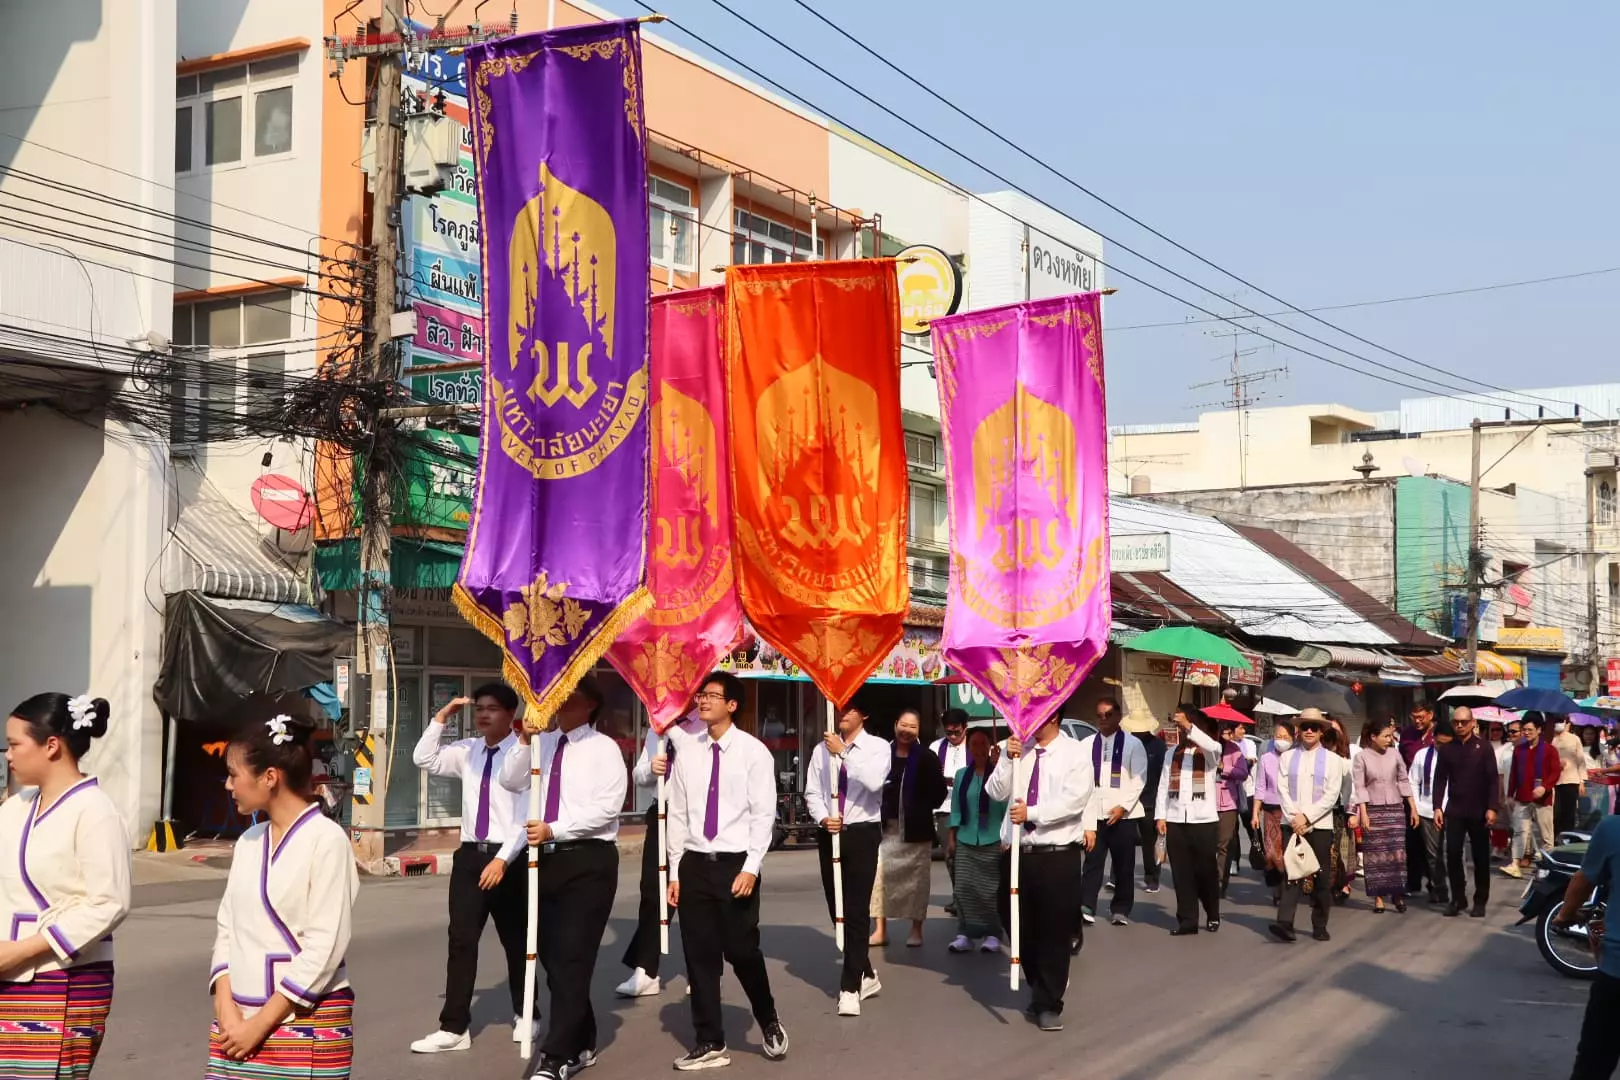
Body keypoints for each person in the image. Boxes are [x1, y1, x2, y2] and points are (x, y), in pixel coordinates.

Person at [208, 714, 359, 1079]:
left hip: (303, 1024)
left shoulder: (327, 840)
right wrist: (225, 1008)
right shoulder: (249, 841)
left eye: (234, 774)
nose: (228, 785)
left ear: (270, 777)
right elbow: (227, 927)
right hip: (236, 1024)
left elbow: (324, 946)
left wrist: (259, 1025)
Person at [496, 678, 624, 1080]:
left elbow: (608, 808)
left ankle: (557, 1055)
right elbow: (510, 780)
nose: (561, 704)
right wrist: (523, 739)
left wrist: (556, 829)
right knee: (551, 958)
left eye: (570, 698)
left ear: (590, 705)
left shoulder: (604, 748)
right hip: (545, 862)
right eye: (557, 698)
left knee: (572, 956)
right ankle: (583, 1039)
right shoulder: (544, 742)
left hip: (588, 860)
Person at [0, 693, 128, 1079]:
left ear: (51, 745)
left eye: (15, 744)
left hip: (65, 978)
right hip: (8, 973)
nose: (8, 754)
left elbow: (109, 904)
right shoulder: (15, 806)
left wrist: (22, 951)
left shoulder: (95, 810)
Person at [665, 673, 788, 1070]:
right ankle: (710, 1041)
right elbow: (678, 815)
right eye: (701, 695)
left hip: (736, 864)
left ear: (732, 705)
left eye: (712, 696)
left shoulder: (754, 753)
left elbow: (762, 815)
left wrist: (752, 867)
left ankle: (767, 1018)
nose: (702, 701)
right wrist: (674, 872)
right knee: (698, 956)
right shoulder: (688, 752)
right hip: (695, 865)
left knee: (741, 950)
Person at [409, 684, 531, 1054]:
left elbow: (526, 813)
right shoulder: (468, 750)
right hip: (470, 858)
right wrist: (441, 718)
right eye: (480, 708)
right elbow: (424, 759)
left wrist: (502, 859)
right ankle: (454, 1027)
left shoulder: (525, 751)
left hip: (510, 858)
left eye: (493, 708)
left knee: (517, 942)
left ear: (511, 714)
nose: (483, 714)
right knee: (462, 941)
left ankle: (527, 1013)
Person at [987, 716, 1095, 1033]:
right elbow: (995, 792)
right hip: (1018, 852)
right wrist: (1007, 757)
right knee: (1016, 922)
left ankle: (1048, 1001)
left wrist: (1032, 814)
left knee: (1053, 930)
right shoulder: (1020, 750)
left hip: (1056, 855)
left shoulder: (1075, 753)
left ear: (1054, 715)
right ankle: (1041, 983)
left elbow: (1075, 801)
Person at [804, 701, 888, 1017]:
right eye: (839, 706)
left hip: (862, 832)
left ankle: (849, 986)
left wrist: (844, 754)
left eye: (851, 707)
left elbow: (874, 782)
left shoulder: (877, 747)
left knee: (856, 909)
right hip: (831, 832)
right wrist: (824, 818)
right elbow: (812, 792)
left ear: (864, 713)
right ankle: (865, 972)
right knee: (836, 908)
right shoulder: (820, 750)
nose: (843, 713)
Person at [618, 706, 707, 999]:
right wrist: (650, 768)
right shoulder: (657, 728)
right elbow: (639, 773)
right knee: (652, 891)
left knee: (695, 892)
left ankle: (703, 971)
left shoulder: (704, 724)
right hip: (662, 814)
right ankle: (646, 971)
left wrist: (672, 730)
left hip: (696, 814)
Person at [1269, 710, 1349, 943]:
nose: (1310, 731)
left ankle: (1320, 924)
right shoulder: (1287, 757)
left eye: (1314, 727)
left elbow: (1332, 794)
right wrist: (1295, 817)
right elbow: (1282, 789)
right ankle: (1285, 923)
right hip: (1291, 823)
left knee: (1322, 877)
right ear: (1299, 730)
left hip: (1320, 825)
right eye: (1305, 727)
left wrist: (1307, 818)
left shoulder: (1334, 761)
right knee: (1291, 873)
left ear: (1322, 731)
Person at [869, 709, 946, 949]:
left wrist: (919, 805)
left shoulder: (927, 757)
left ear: (918, 730)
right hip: (886, 829)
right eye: (903, 725)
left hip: (916, 830)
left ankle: (916, 930)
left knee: (917, 883)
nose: (907, 731)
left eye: (912, 727)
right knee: (879, 879)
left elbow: (939, 793)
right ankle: (881, 930)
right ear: (895, 725)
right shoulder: (882, 755)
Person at [1553, 813, 1620, 1079]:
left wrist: (1566, 913)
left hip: (1616, 974)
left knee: (1593, 1063)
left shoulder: (1612, 828)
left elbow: (1582, 881)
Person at [1155, 706, 1224, 935]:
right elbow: (1164, 784)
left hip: (1203, 820)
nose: (1181, 730)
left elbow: (1214, 747)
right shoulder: (1171, 753)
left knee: (1206, 871)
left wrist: (1189, 726)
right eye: (1179, 725)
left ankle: (1212, 912)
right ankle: (1187, 920)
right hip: (1176, 819)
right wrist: (1160, 815)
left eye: (1184, 725)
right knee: (1181, 873)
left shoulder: (1210, 752)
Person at [1078, 699, 1147, 927]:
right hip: (1095, 813)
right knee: (1092, 861)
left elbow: (1139, 779)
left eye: (1108, 715)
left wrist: (1123, 807)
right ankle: (1087, 904)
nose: (1103, 720)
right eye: (1099, 715)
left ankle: (1120, 908)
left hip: (1123, 815)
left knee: (1123, 865)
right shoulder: (1086, 744)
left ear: (1118, 716)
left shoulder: (1133, 744)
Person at [1433, 705, 1501, 918]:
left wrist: (1492, 807)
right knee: (1452, 854)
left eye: (1464, 721)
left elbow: (1493, 780)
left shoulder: (1484, 747)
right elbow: (1440, 780)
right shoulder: (1447, 749)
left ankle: (1480, 900)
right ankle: (1457, 898)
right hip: (1455, 809)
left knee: (1481, 856)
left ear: (1472, 723)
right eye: (1456, 722)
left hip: (1479, 810)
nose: (1460, 725)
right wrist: (1437, 807)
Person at [945, 726, 1007, 954]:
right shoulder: (962, 774)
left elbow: (1005, 804)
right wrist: (952, 836)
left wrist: (1001, 767)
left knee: (990, 891)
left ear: (991, 745)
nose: (979, 748)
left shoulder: (999, 773)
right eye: (974, 744)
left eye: (983, 743)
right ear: (968, 748)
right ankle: (965, 934)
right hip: (966, 838)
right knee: (964, 888)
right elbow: (956, 808)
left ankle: (992, 933)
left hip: (993, 838)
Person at [1352, 716, 1416, 913]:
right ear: (1373, 737)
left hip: (1395, 809)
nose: (1390, 739)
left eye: (1391, 736)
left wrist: (1412, 807)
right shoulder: (1361, 757)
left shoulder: (1395, 755)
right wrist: (1363, 813)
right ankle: (1378, 897)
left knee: (1397, 854)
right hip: (1373, 809)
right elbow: (1359, 786)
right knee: (1376, 855)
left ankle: (1397, 895)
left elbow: (1404, 780)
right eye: (1386, 736)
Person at [1504, 714, 1560, 879]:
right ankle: (1515, 863)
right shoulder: (1519, 750)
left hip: (1543, 799)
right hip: (1522, 797)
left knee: (1546, 836)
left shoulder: (1549, 750)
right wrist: (1509, 795)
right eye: (1524, 730)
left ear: (1539, 730)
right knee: (1519, 832)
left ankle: (1547, 867)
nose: (1526, 733)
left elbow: (1555, 772)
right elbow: (1514, 774)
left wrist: (1545, 787)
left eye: (1530, 730)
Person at [1408, 718, 1454, 904]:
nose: (1442, 747)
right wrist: (1415, 809)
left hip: (1451, 810)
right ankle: (1439, 888)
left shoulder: (1456, 755)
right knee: (1433, 854)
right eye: (1439, 743)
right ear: (1433, 738)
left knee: (1450, 853)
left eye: (1446, 744)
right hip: (1426, 811)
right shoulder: (1422, 755)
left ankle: (1455, 888)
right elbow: (1413, 781)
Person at [931, 709, 971, 915]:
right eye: (949, 733)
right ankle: (959, 896)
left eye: (957, 732)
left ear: (966, 727)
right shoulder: (935, 748)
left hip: (971, 809)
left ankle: (971, 897)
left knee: (971, 855)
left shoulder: (976, 746)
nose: (953, 737)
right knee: (951, 854)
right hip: (945, 808)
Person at [1251, 720, 1296, 903]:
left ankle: (1290, 889)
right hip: (1271, 811)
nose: (1282, 740)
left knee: (1289, 853)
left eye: (1286, 737)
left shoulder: (1297, 758)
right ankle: (1278, 890)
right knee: (1273, 854)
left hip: (1292, 812)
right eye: (1278, 736)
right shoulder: (1266, 759)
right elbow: (1260, 787)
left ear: (1293, 739)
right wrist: (1255, 813)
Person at [1213, 720, 1252, 900]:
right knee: (1207, 845)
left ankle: (1220, 881)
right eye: (1220, 731)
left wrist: (1225, 768)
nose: (1223, 735)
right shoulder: (1206, 747)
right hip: (1206, 802)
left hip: (1229, 803)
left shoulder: (1234, 749)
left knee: (1224, 844)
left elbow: (1243, 773)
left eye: (1227, 732)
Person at [1323, 719, 1357, 905]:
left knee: (1337, 850)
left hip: (1338, 812)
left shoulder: (1344, 763)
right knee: (1326, 850)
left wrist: (1352, 813)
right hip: (1319, 812)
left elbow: (1351, 791)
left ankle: (1338, 883)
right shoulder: (1317, 762)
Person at [1137, 723, 1167, 894]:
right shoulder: (1129, 742)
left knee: (1153, 843)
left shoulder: (1158, 745)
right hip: (1130, 800)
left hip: (1152, 800)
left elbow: (1164, 775)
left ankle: (1153, 877)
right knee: (1127, 842)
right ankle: (1115, 877)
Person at [1497, 717, 1524, 875]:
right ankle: (1522, 856)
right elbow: (1500, 775)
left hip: (1523, 796)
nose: (1511, 734)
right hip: (1509, 795)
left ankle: (1517, 861)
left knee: (1521, 828)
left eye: (1514, 731)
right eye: (1509, 732)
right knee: (1515, 827)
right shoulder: (1505, 750)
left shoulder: (1527, 750)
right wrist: (1501, 796)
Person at [1552, 718, 1588, 836]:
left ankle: (1567, 839)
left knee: (1569, 813)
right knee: (1555, 813)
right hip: (1553, 782)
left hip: (1572, 780)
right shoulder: (1549, 738)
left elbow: (1581, 761)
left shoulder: (1575, 739)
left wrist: (1582, 781)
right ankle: (1556, 839)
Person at [1400, 700, 1436, 765]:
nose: (1417, 721)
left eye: (1420, 717)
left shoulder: (1441, 732)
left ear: (1430, 715)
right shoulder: (1406, 734)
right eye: (1413, 717)